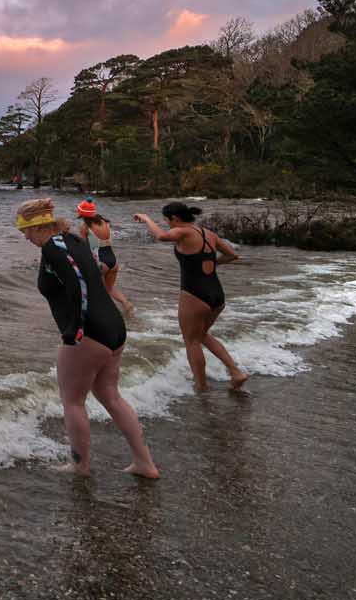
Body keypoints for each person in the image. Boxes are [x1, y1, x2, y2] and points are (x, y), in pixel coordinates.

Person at [17, 198, 159, 479]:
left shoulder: (54, 249)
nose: (24, 236)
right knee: (110, 395)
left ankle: (80, 466)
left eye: (25, 230)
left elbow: (78, 284)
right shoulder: (73, 239)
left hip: (89, 333)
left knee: (72, 401)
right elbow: (96, 273)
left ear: (38, 226)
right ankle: (144, 463)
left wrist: (75, 331)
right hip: (113, 327)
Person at [134, 203, 248, 392]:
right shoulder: (208, 233)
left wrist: (146, 219)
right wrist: (211, 263)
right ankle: (236, 372)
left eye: (166, 220)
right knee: (201, 335)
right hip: (216, 293)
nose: (167, 224)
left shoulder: (183, 232)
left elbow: (161, 236)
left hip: (195, 294)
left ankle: (201, 387)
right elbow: (232, 255)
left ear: (174, 219)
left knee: (192, 341)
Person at [77, 199, 133, 314]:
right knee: (110, 288)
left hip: (100, 262)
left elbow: (83, 247)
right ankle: (126, 304)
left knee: (99, 292)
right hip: (113, 260)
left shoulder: (85, 228)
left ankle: (106, 314)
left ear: (82, 214)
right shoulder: (105, 222)